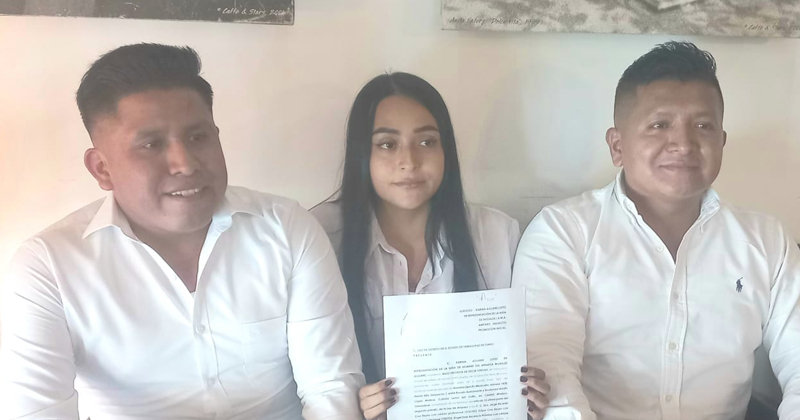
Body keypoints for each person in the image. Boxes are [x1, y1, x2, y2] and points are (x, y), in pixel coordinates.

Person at [0, 43, 364, 420]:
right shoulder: (48, 268)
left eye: (197, 137)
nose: (185, 164)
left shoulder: (286, 229)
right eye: (151, 145)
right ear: (101, 169)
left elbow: (330, 386)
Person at [512, 41, 800, 420]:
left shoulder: (767, 241)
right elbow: (551, 374)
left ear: (721, 142)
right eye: (659, 125)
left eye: (703, 126)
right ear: (617, 146)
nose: (683, 144)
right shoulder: (563, 232)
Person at [311, 72, 550, 420]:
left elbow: (519, 354)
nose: (409, 161)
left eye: (426, 142)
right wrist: (353, 409)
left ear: (445, 149)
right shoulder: (322, 236)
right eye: (387, 144)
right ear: (362, 153)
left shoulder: (497, 234)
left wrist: (528, 397)